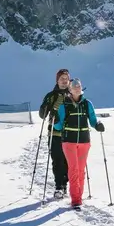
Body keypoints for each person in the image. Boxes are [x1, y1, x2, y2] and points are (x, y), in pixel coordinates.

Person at [54, 78, 104, 209]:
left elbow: (93, 120)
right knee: (74, 168)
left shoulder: (87, 104)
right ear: (69, 89)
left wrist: (98, 125)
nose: (77, 87)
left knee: (81, 170)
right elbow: (59, 126)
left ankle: (79, 196)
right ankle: (76, 199)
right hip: (68, 141)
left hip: (84, 141)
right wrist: (54, 122)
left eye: (79, 85)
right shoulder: (64, 105)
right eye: (74, 86)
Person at [39, 69, 71, 198]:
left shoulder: (72, 94)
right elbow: (42, 115)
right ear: (57, 80)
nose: (64, 81)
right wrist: (45, 107)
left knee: (68, 161)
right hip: (55, 133)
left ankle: (65, 185)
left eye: (66, 78)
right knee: (57, 161)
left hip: (70, 133)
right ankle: (59, 186)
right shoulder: (51, 96)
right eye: (61, 78)